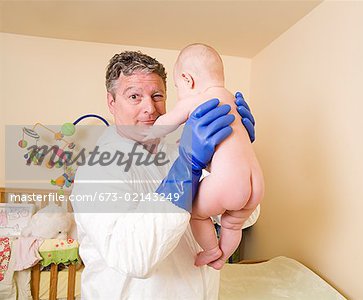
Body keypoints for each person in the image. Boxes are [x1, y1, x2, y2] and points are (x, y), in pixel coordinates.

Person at [70, 51, 259, 299]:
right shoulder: (96, 170)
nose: (150, 108)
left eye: (157, 96)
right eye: (134, 96)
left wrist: (232, 154)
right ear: (112, 102)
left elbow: (246, 215)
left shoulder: (183, 150)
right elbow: (133, 257)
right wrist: (185, 169)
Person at [146, 43, 264, 270]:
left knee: (195, 214)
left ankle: (212, 252)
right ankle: (222, 258)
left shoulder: (196, 100)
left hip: (229, 183)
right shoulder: (232, 100)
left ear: (187, 80)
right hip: (257, 182)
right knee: (233, 225)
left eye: (178, 87)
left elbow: (162, 126)